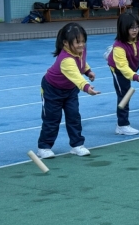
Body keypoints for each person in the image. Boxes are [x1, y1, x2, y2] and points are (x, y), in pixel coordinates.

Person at [37, 23, 100, 159]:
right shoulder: (65, 60)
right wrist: (87, 87)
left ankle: (77, 145)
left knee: (74, 117)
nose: (81, 45)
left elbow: (81, 62)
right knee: (52, 119)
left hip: (70, 90)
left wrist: (88, 71)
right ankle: (44, 147)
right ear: (65, 43)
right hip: (52, 90)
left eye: (83, 41)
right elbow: (76, 77)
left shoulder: (80, 50)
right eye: (77, 42)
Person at [106, 13, 139, 135]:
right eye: (131, 27)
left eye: (137, 26)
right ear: (123, 28)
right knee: (124, 95)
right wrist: (136, 77)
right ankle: (122, 125)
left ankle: (122, 124)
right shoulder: (119, 46)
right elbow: (123, 67)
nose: (135, 30)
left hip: (131, 67)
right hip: (118, 70)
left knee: (126, 93)